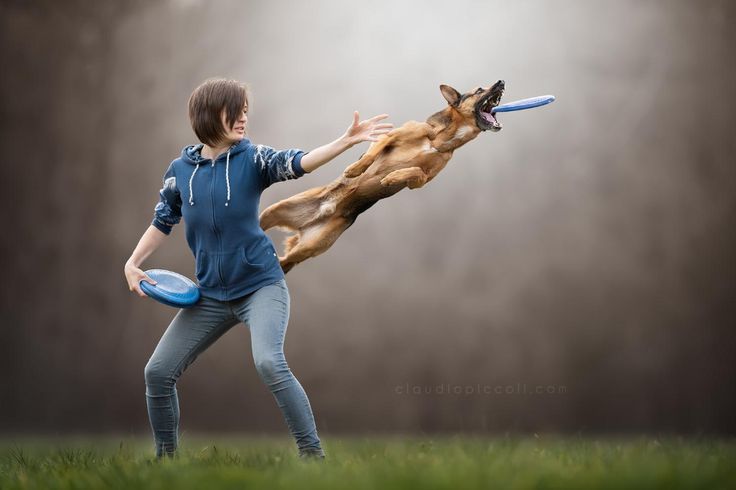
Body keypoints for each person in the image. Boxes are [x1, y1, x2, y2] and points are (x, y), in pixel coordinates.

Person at [123, 78, 393, 459]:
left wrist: (344, 141)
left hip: (260, 287)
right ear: (208, 114)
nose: (243, 118)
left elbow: (298, 162)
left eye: (246, 110)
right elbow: (162, 221)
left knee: (269, 361)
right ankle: (166, 461)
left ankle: (312, 456)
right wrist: (133, 263)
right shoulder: (180, 171)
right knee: (157, 372)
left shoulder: (254, 158)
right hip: (211, 296)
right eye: (235, 110)